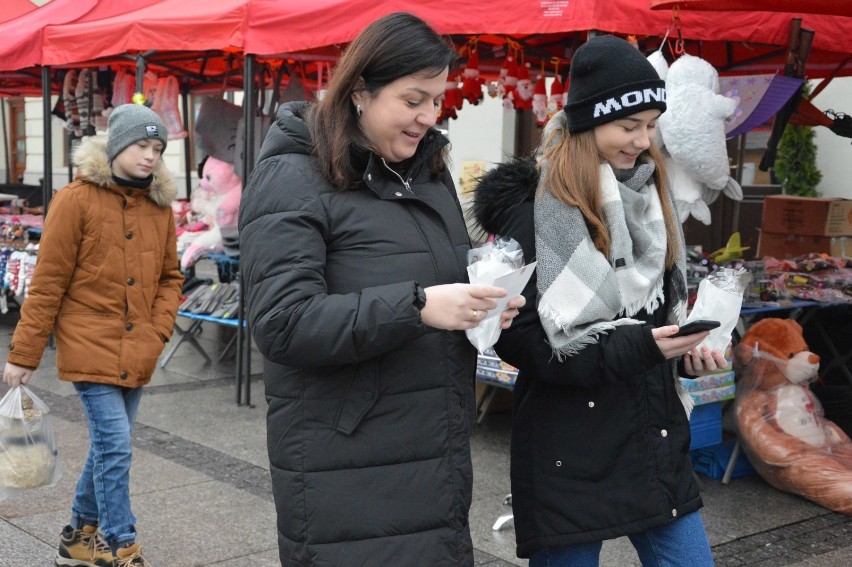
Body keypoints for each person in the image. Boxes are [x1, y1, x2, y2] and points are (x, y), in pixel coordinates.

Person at [238, 12, 523, 566]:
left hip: (432, 453)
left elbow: (442, 285)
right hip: (343, 464)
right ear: (361, 91)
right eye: (413, 99)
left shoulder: (429, 174)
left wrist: (481, 303)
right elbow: (282, 323)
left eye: (436, 100)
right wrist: (417, 307)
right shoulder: (291, 177)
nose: (428, 117)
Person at [472, 35, 728, 566]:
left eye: (652, 124)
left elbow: (661, 320)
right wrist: (642, 349)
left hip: (654, 441)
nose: (643, 140)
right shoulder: (534, 211)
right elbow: (520, 340)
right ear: (588, 124)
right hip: (569, 450)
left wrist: (689, 355)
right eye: (628, 126)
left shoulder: (655, 200)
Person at [3, 103, 183, 567]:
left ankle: (77, 535)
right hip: (89, 343)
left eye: (158, 148)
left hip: (139, 346)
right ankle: (122, 545)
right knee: (117, 445)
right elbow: (48, 283)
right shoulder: (75, 200)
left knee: (109, 445)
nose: (150, 156)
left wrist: (159, 330)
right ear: (118, 144)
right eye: (142, 145)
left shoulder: (160, 209)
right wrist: (23, 354)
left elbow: (170, 277)